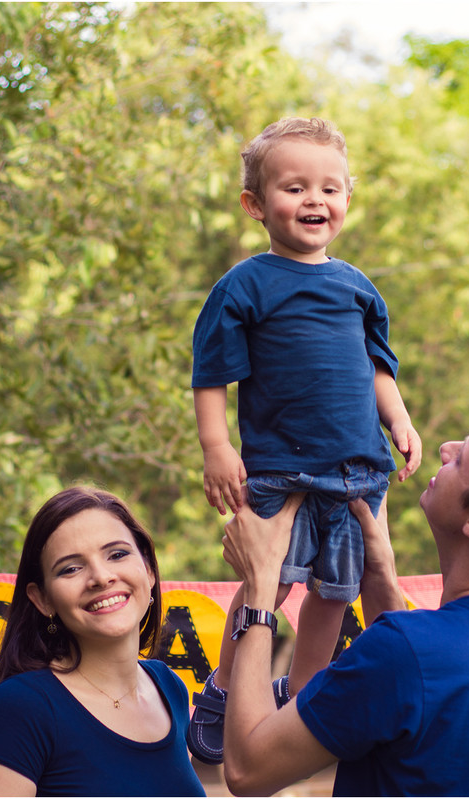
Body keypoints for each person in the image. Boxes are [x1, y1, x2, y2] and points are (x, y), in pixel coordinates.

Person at [218, 406, 469, 796]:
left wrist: (260, 588)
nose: (446, 448)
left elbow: (247, 770)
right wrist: (383, 579)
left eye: (461, 459)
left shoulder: (404, 652)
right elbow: (426, 713)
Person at [188, 116, 422, 764]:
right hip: (280, 473)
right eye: (294, 188)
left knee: (336, 591)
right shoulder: (245, 286)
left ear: (348, 197)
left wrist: (398, 418)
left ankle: (307, 696)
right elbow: (211, 374)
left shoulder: (357, 287)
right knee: (270, 580)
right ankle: (228, 685)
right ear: (255, 205)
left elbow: (378, 365)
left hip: (357, 473)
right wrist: (216, 447)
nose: (315, 200)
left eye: (330, 188)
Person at [0, 487, 205, 797]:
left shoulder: (170, 687)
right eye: (71, 568)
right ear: (43, 599)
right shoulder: (23, 707)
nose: (101, 577)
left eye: (117, 554)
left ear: (148, 569)